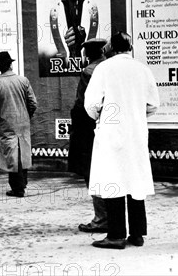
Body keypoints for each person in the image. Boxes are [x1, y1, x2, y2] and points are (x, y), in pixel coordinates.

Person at [84, 32, 159, 249]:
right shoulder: (142, 69)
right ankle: (137, 234)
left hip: (111, 133)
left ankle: (116, 235)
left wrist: (103, 115)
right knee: (135, 181)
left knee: (113, 181)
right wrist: (135, 114)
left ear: (110, 48)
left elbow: (91, 105)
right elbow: (153, 105)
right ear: (129, 47)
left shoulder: (104, 69)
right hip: (136, 134)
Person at [67, 38, 109, 233]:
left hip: (89, 129)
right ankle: (111, 216)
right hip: (111, 126)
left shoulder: (89, 72)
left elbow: (83, 104)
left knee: (92, 173)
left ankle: (101, 218)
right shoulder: (111, 68)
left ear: (87, 54)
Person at [0, 51, 38, 197]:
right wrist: (26, 116)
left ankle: (17, 188)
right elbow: (33, 103)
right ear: (10, 64)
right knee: (23, 154)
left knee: (12, 156)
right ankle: (22, 184)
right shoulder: (23, 80)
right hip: (23, 123)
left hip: (6, 124)